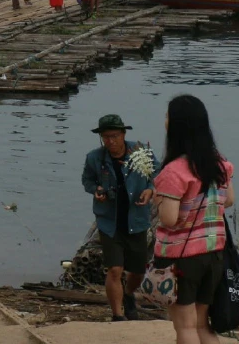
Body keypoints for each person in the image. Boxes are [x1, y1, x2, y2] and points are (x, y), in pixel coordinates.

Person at [152, 95, 235, 344]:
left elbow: (168, 219)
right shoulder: (219, 164)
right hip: (214, 252)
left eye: (167, 116)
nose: (164, 121)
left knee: (185, 326)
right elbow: (228, 201)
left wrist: (157, 198)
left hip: (181, 257)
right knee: (201, 323)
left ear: (176, 125)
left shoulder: (174, 171)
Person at [81, 115, 159, 322]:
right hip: (109, 221)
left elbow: (158, 177)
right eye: (105, 137)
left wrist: (150, 191)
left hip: (136, 220)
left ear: (123, 134)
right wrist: (96, 189)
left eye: (114, 136)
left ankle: (128, 293)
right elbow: (87, 181)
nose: (110, 141)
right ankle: (118, 316)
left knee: (137, 271)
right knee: (114, 269)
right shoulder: (94, 158)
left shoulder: (142, 153)